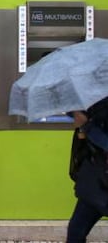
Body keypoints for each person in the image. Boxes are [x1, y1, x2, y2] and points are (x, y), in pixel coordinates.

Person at [67, 97, 108, 243]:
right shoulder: (98, 95)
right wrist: (75, 113)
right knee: (76, 231)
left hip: (100, 175)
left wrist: (86, 125)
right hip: (96, 177)